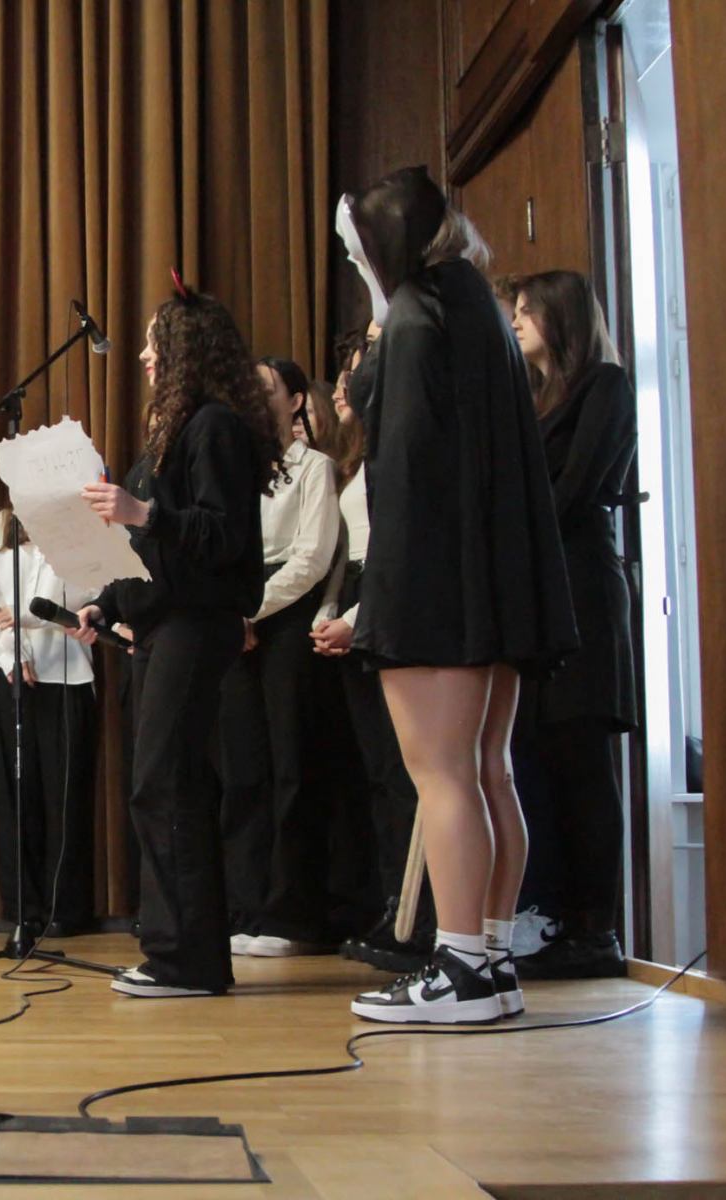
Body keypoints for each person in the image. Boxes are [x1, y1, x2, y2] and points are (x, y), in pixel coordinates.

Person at [336, 170, 577, 1024]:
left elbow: (402, 470)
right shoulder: (474, 304)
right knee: (486, 772)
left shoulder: (413, 318)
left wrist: (375, 603)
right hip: (493, 582)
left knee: (441, 777)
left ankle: (463, 965)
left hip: (434, 586)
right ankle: (493, 959)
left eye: (360, 253)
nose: (359, 266)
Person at [74, 277, 283, 998]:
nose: (142, 356)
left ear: (184, 351)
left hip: (198, 626)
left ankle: (184, 959)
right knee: (166, 784)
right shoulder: (178, 431)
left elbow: (224, 537)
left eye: (153, 344)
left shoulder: (214, 427)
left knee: (165, 785)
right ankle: (182, 952)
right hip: (165, 625)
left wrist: (141, 512)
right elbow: (149, 548)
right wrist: (105, 604)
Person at [506, 270, 638, 979]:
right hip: (543, 594)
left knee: (583, 761)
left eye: (528, 311)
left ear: (561, 318)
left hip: (582, 587)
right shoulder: (535, 398)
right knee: (544, 760)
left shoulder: (605, 386)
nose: (516, 320)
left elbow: (577, 489)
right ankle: (555, 916)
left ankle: (597, 927)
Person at [311, 324, 433, 973]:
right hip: (357, 602)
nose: (342, 388)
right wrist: (331, 610)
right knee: (378, 777)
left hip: (386, 610)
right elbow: (347, 552)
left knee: (404, 773)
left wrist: (356, 619)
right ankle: (394, 907)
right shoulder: (357, 454)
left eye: (354, 374)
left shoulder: (396, 449)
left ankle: (421, 918)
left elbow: (398, 550)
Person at [219, 357, 341, 957]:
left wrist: (252, 610)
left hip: (286, 616)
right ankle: (246, 907)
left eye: (267, 388)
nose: (254, 394)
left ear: (295, 401)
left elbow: (312, 557)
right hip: (235, 616)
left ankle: (291, 916)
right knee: (243, 769)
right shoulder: (238, 465)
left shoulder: (315, 466)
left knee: (293, 767)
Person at [0, 503, 100, 944]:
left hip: (68, 670)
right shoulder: (2, 523)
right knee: (16, 794)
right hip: (10, 668)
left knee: (64, 794)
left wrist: (27, 617)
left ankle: (64, 908)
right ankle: (22, 909)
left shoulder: (83, 523)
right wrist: (14, 650)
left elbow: (87, 596)